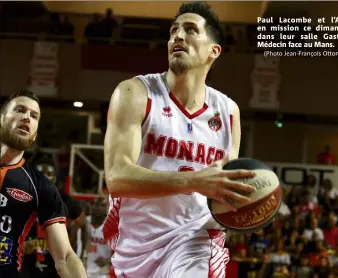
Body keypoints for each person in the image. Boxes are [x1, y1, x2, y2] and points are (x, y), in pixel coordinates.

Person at [102, 2, 256, 277]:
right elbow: (116, 177)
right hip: (136, 246)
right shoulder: (135, 93)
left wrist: (249, 206)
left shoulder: (228, 111)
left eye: (190, 29)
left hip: (195, 239)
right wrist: (195, 181)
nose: (178, 36)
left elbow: (224, 189)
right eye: (173, 31)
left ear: (214, 50)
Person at [0, 90, 87, 278]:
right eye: (19, 110)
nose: (26, 118)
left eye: (34, 116)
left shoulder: (41, 186)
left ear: (35, 131)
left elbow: (64, 256)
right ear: (2, 118)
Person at [21, 162, 90, 278]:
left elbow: (83, 224)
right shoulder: (21, 199)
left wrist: (83, 252)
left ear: (54, 178)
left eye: (48, 174)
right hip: (29, 259)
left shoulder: (65, 200)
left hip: (57, 261)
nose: (44, 177)